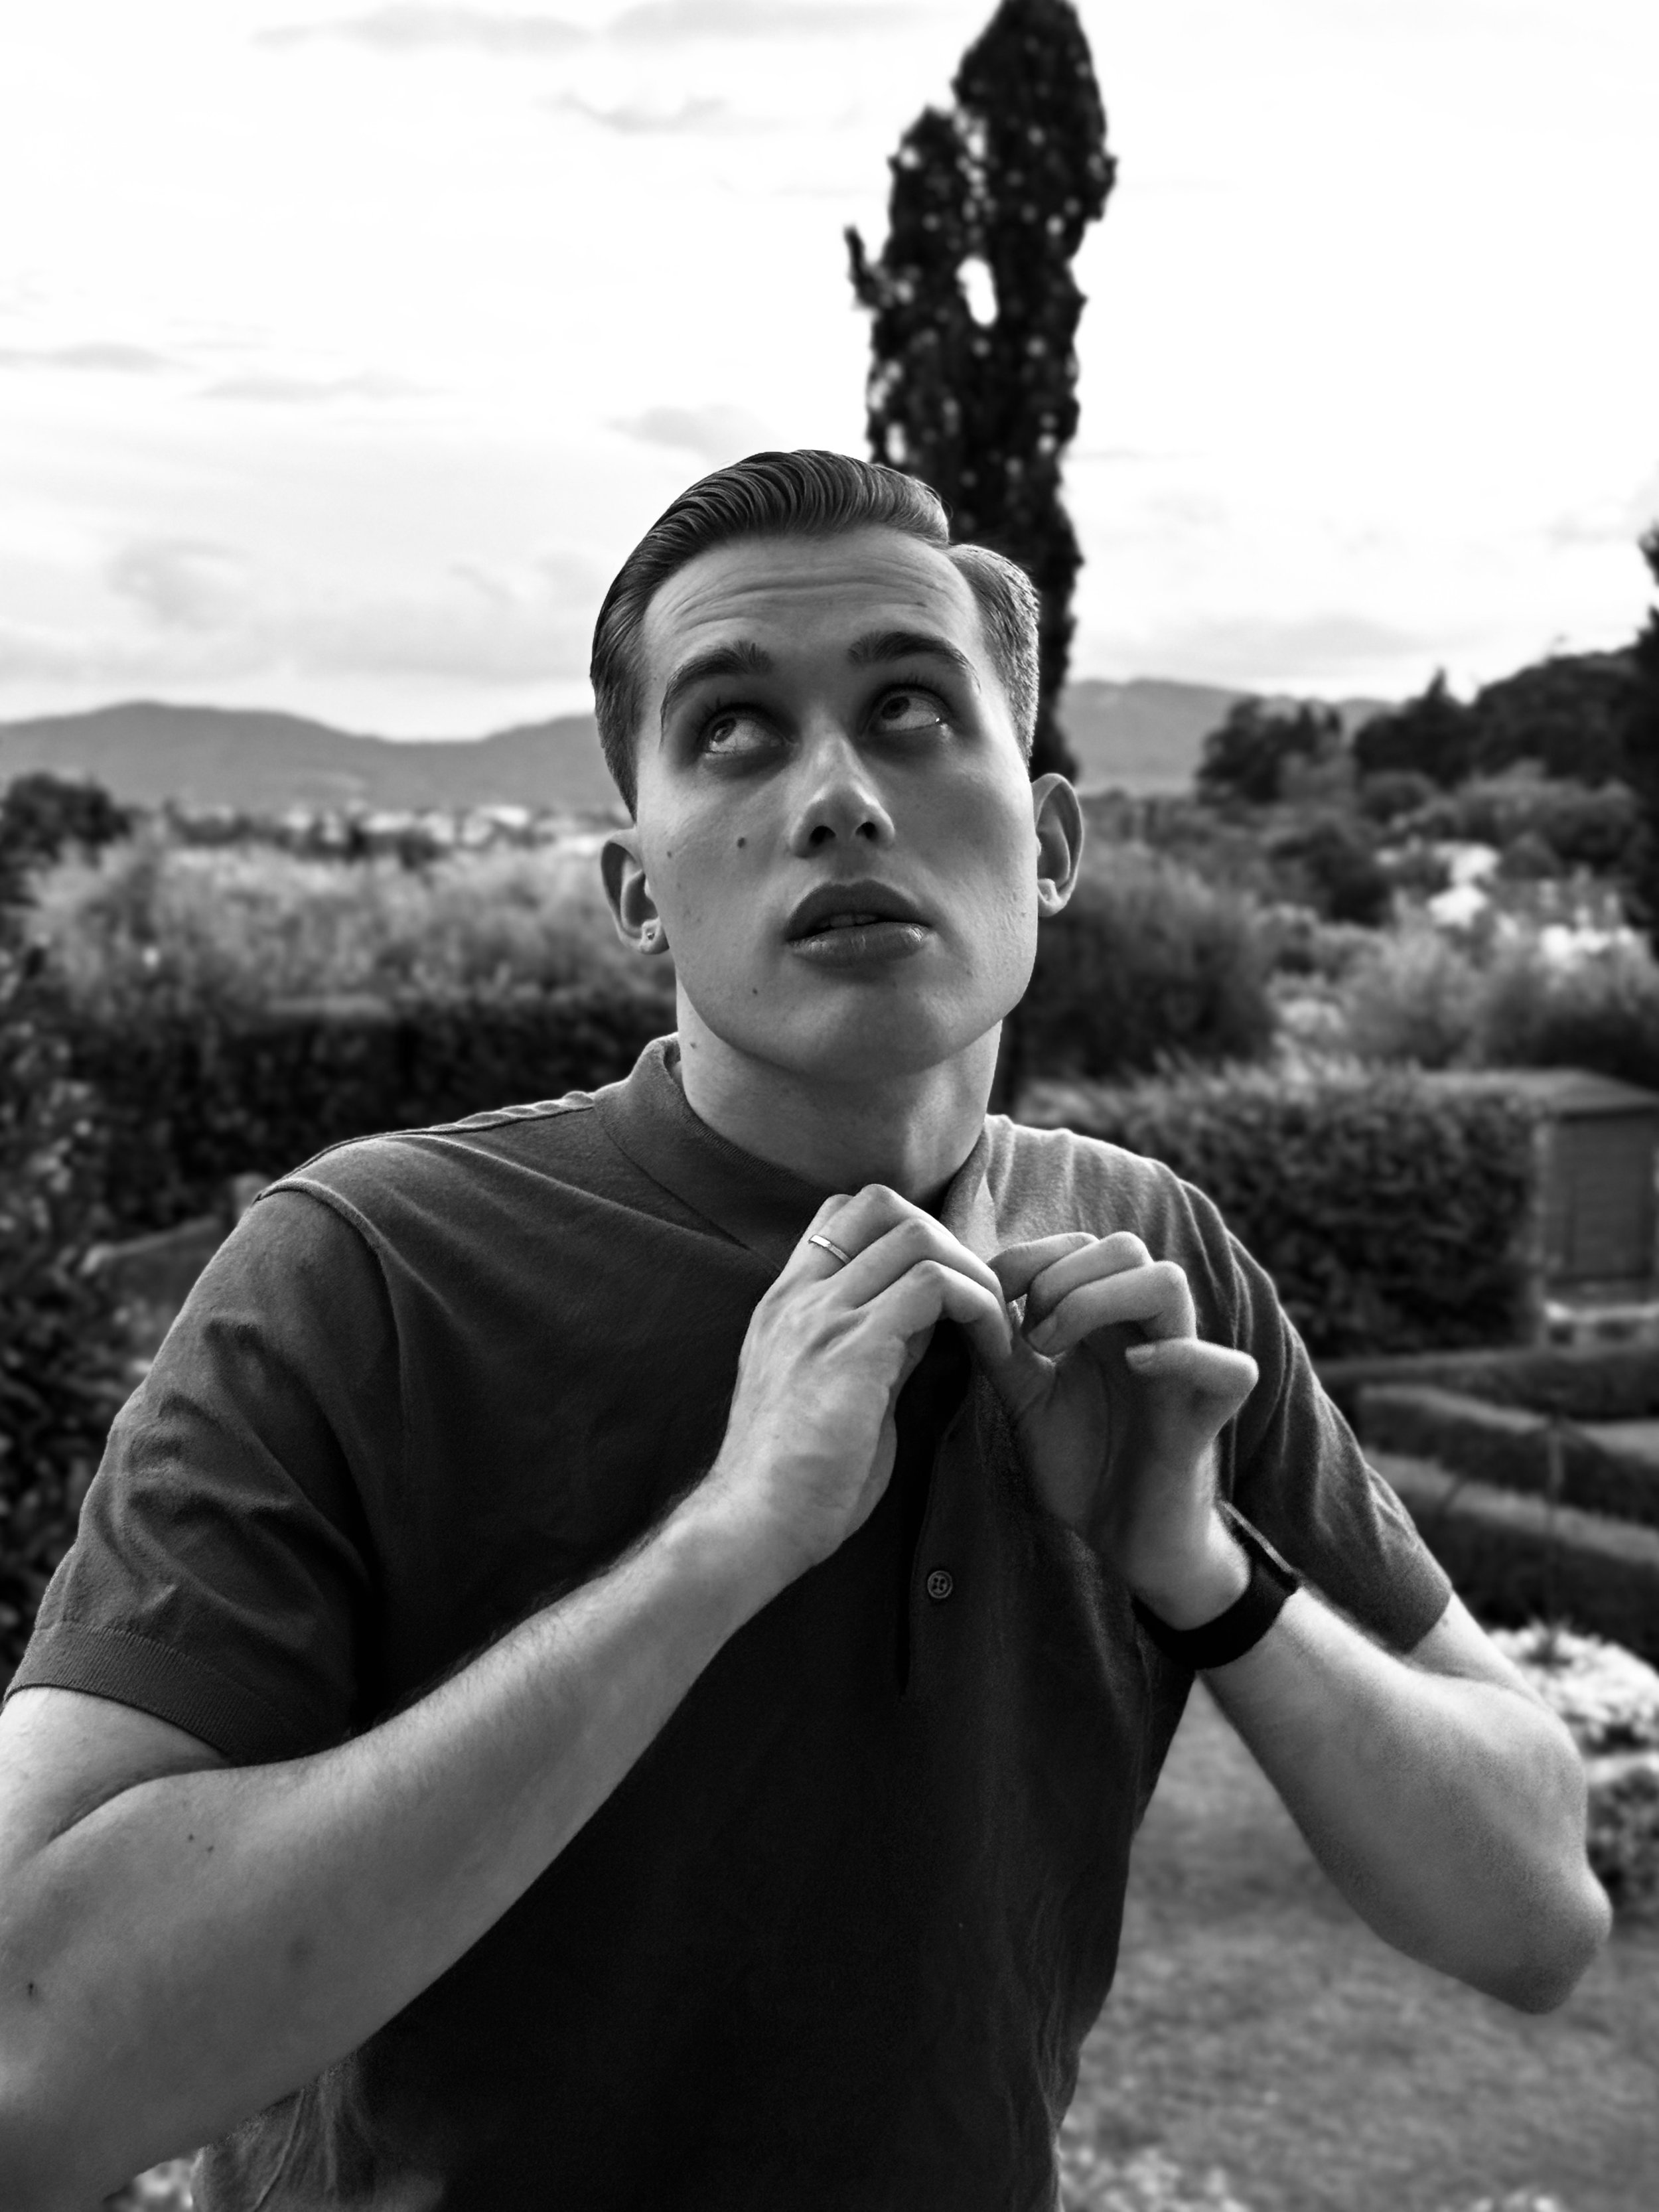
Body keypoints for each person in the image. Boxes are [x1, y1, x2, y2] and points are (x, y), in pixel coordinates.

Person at [0, 453, 1608, 2212]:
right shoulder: (361, 1271)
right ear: (635, 891)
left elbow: (1534, 1914)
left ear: (1053, 841)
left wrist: (1198, 1568)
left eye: (911, 709)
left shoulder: (1159, 1263)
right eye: (733, 732)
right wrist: (723, 1544)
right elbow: (36, 2071)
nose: (838, 792)